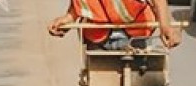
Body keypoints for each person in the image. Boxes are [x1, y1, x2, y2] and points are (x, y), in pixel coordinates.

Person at [48, 0, 181, 50]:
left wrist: (165, 25)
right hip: (97, 36)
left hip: (136, 34)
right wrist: (68, 18)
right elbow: (82, 4)